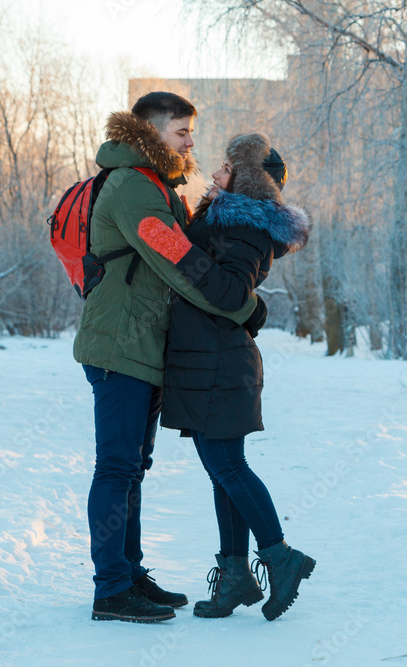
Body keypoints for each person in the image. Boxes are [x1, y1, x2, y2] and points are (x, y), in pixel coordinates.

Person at [73, 92, 261, 623]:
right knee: (116, 467)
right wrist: (243, 305)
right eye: (181, 131)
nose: (190, 141)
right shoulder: (134, 187)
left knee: (132, 468)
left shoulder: (157, 184)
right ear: (151, 131)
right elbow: (178, 261)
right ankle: (111, 589)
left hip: (143, 348)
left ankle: (129, 574)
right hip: (119, 346)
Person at [158, 132, 315, 622]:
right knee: (222, 469)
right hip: (208, 360)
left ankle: (280, 557)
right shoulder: (226, 219)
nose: (215, 171)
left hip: (219, 364)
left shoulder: (244, 226)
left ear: (246, 180)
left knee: (228, 467)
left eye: (227, 167)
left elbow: (229, 292)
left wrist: (177, 249)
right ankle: (236, 575)